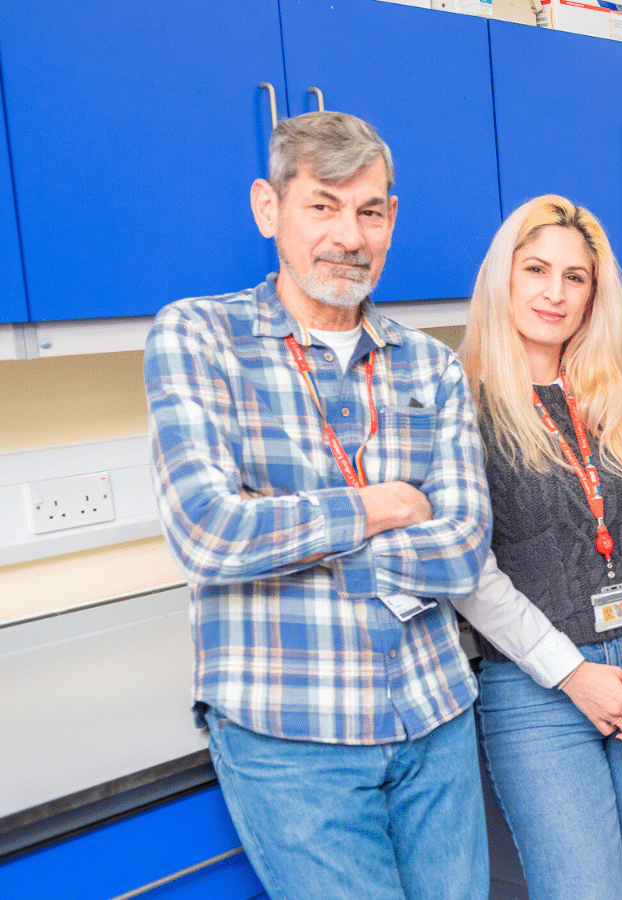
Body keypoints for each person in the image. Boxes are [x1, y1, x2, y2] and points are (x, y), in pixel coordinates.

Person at [144, 111, 492, 899]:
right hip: (290, 736)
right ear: (269, 208)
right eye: (324, 206)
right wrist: (381, 507)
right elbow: (210, 531)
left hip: (433, 715)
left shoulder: (430, 366)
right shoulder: (200, 338)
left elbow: (467, 545)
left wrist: (294, 535)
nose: (349, 234)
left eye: (369, 211)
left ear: (392, 220)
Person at [454, 195, 622, 900]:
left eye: (575, 277)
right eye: (536, 269)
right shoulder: (463, 402)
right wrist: (573, 674)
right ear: (503, 276)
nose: (554, 293)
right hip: (539, 694)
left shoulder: (612, 390)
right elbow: (470, 574)